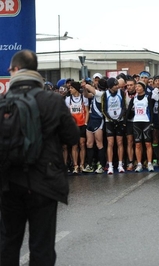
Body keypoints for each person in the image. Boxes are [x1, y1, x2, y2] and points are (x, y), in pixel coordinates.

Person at [1, 49, 79, 265]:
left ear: (14, 70)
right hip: (45, 182)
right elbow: (72, 137)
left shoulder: (3, 101)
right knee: (42, 246)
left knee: (8, 243)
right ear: (36, 71)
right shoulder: (53, 101)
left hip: (8, 183)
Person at [101, 77, 127, 174]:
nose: (118, 86)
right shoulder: (105, 94)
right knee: (110, 143)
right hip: (109, 122)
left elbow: (124, 107)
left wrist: (119, 118)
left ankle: (120, 165)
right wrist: (111, 120)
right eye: (115, 85)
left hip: (119, 120)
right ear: (111, 86)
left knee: (120, 142)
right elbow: (103, 109)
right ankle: (110, 165)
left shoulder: (121, 93)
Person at [65, 81, 89, 174]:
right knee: (74, 145)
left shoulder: (83, 98)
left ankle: (82, 164)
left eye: (71, 88)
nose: (70, 90)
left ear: (76, 89)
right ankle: (75, 165)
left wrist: (86, 123)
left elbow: (87, 111)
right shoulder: (68, 99)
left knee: (82, 144)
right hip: (73, 125)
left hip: (82, 124)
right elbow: (67, 113)